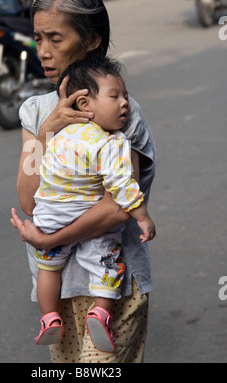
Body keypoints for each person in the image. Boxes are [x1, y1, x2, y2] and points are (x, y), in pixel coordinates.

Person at [11, 0, 157, 363]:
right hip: (58, 290)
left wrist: (49, 240)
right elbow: (29, 199)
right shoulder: (36, 112)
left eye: (55, 38)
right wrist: (46, 132)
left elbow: (117, 208)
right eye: (38, 37)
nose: (43, 51)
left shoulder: (119, 111)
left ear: (91, 40)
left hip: (112, 290)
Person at [31, 57, 156, 353]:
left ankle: (49, 318)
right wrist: (143, 216)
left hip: (49, 214)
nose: (125, 103)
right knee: (107, 261)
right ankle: (100, 312)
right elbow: (122, 187)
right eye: (116, 96)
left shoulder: (57, 134)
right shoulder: (111, 142)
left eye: (125, 96)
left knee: (48, 267)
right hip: (88, 217)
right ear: (85, 104)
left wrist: (42, 135)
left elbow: (35, 173)